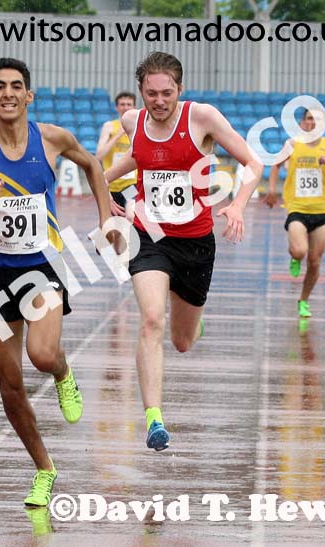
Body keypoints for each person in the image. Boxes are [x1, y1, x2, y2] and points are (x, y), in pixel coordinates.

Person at [0, 58, 112, 506]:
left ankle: (63, 370)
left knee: (41, 355)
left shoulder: (53, 138)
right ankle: (44, 468)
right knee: (9, 382)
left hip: (42, 268)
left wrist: (105, 218)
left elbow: (93, 165)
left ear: (29, 95)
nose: (7, 93)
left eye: (15, 86)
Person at [104, 51, 263, 451]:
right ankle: (154, 419)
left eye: (166, 93)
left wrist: (239, 204)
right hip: (149, 237)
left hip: (195, 242)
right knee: (151, 320)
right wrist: (101, 186)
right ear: (140, 92)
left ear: (180, 90)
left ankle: (193, 320)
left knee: (182, 342)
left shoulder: (202, 118)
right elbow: (138, 157)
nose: (158, 101)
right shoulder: (130, 121)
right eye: (150, 93)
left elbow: (253, 163)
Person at [263, 107, 325, 318]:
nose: (313, 123)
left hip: (321, 211)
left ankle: (303, 300)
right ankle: (294, 256)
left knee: (314, 261)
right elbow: (275, 165)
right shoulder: (293, 144)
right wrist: (272, 190)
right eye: (309, 118)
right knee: (300, 251)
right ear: (302, 123)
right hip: (297, 209)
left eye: (317, 119)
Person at [95, 91, 138, 257]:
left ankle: (125, 257)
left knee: (130, 215)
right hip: (110, 185)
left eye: (129, 104)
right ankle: (114, 250)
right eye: (122, 104)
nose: (125, 107)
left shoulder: (139, 126)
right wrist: (118, 135)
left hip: (131, 183)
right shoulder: (109, 127)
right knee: (113, 234)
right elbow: (99, 155)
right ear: (117, 107)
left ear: (134, 106)